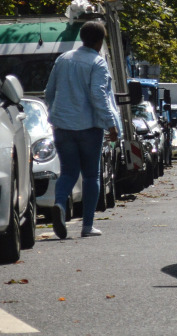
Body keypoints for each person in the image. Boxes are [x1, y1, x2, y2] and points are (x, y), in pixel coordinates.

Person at [43, 20, 121, 239]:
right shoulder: (97, 62)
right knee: (91, 175)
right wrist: (110, 124)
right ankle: (87, 225)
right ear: (100, 41)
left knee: (68, 171)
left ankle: (59, 203)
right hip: (89, 127)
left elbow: (49, 91)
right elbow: (99, 95)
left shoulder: (63, 59)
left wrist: (54, 114)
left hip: (62, 126)